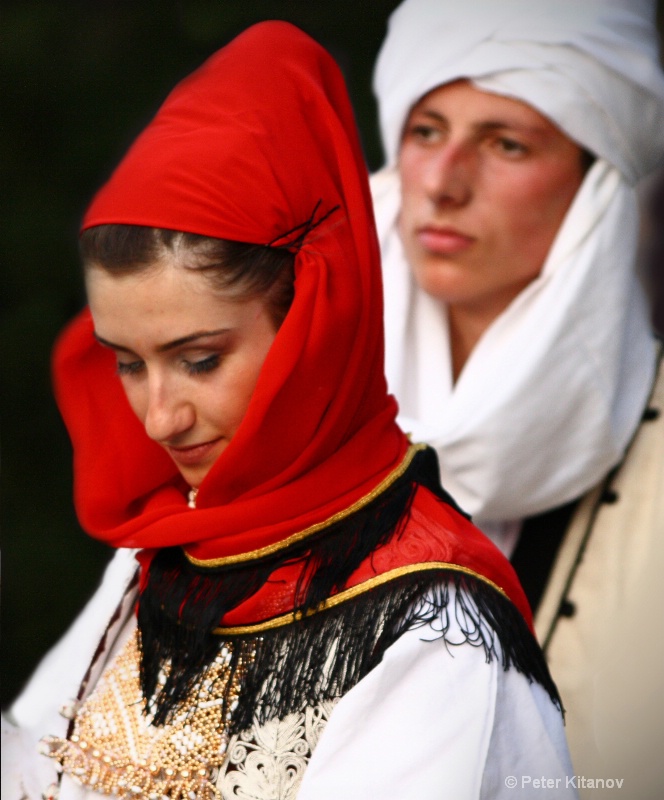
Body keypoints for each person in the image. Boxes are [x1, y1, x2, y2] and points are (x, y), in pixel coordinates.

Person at [0, 21, 576, 800]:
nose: (158, 418)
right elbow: (41, 771)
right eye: (128, 365)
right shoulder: (168, 558)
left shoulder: (432, 637)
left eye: (200, 360)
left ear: (314, 330)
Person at [371, 0, 664, 795]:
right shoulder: (302, 392)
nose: (440, 183)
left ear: (595, 184)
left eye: (505, 143)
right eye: (426, 130)